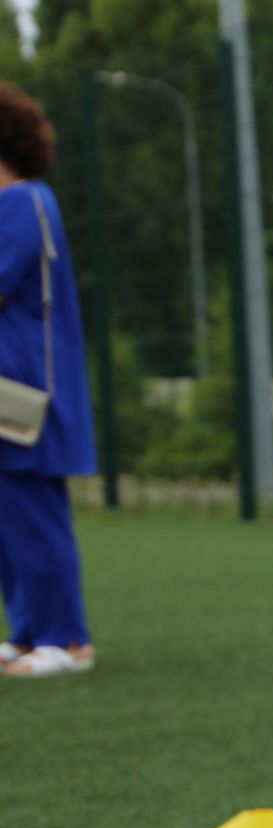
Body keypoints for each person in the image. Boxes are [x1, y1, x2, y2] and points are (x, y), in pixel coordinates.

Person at [0, 84, 95, 679]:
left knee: (33, 511)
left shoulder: (24, 202)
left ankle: (68, 640)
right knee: (5, 515)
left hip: (24, 389)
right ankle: (31, 631)